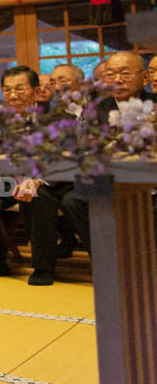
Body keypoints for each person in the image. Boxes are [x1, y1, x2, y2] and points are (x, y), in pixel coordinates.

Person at [0, 66, 64, 285]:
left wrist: (35, 181)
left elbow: (61, 161)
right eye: (7, 90)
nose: (12, 95)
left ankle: (43, 267)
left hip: (45, 182)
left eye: (20, 89)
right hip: (9, 181)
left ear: (35, 90)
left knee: (40, 196)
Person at [63, 51, 156, 253]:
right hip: (110, 182)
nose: (117, 80)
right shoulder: (95, 111)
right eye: (110, 75)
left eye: (125, 73)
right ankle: (103, 258)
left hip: (151, 183)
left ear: (146, 77)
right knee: (73, 200)